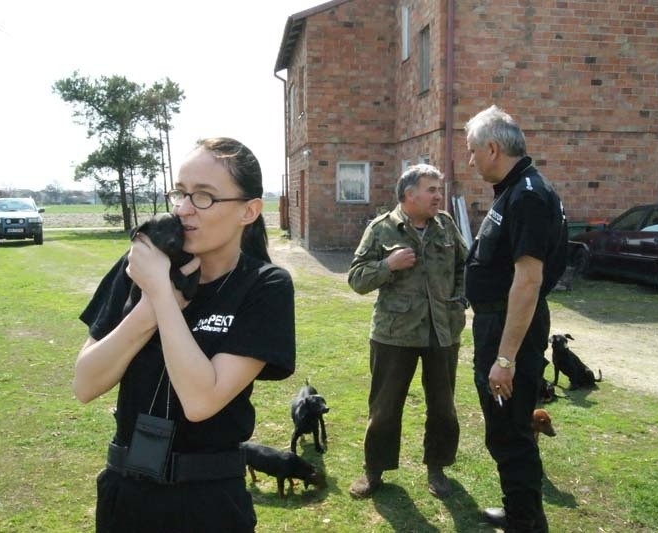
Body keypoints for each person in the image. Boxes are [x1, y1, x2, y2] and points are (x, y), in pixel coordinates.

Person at [73, 137, 296, 532]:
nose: (183, 209)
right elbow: (86, 384)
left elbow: (200, 400)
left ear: (249, 210)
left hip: (209, 503)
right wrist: (148, 308)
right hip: (125, 496)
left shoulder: (264, 286)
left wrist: (160, 292)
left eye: (205, 197)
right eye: (180, 192)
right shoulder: (138, 269)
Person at [464, 105, 567, 532]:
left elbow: (527, 280)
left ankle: (526, 523)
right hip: (501, 325)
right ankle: (521, 511)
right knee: (507, 429)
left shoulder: (526, 195)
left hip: (511, 330)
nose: (470, 160)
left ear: (492, 148)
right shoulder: (515, 190)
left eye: (472, 151)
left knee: (510, 433)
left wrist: (504, 359)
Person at [347, 164, 468, 499]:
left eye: (438, 189)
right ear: (409, 194)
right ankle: (374, 471)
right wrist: (389, 265)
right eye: (431, 189)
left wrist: (458, 298)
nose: (438, 196)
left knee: (443, 406)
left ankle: (437, 468)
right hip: (393, 334)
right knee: (384, 407)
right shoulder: (381, 229)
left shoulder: (445, 225)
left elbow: (464, 264)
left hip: (442, 331)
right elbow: (356, 279)